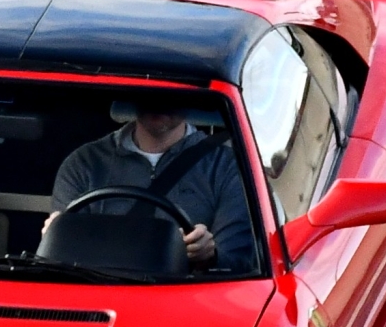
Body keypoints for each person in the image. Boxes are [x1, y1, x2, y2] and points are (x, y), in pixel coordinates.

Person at [48, 100, 254, 271]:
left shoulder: (227, 167)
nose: (159, 100)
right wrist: (57, 236)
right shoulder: (84, 164)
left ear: (192, 95)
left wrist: (209, 256)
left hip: (189, 302)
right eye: (151, 91)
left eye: (172, 91)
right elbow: (62, 266)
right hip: (101, 297)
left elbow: (238, 263)